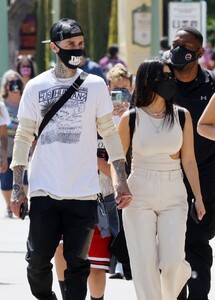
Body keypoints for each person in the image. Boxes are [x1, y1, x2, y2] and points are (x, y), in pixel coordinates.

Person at [9, 18, 131, 300]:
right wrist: (18, 187)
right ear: (54, 47)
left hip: (83, 191)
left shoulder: (96, 85)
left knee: (78, 264)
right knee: (37, 261)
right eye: (70, 45)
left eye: (80, 44)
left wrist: (121, 180)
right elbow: (24, 136)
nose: (77, 50)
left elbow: (110, 135)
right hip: (44, 189)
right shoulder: (36, 87)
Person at [116, 58, 205, 300]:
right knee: (144, 264)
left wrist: (198, 197)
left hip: (174, 190)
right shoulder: (131, 118)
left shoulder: (182, 116)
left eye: (170, 76)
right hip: (138, 191)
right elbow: (118, 160)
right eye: (164, 77)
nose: (170, 81)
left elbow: (188, 160)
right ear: (148, 81)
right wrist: (120, 186)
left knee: (174, 261)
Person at [54, 55, 120, 300]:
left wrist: (94, 161)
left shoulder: (116, 123)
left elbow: (119, 167)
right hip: (66, 192)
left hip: (101, 199)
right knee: (60, 250)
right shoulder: (68, 120)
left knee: (95, 264)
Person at [168, 27, 215, 300]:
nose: (177, 49)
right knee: (170, 248)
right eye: (175, 44)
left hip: (205, 178)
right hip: (166, 176)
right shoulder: (159, 81)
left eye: (184, 45)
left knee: (197, 243)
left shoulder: (211, 86)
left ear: (199, 53)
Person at [0, 70, 28, 218]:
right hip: (6, 147)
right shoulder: (2, 104)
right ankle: (8, 206)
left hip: (23, 145)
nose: (14, 85)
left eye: (16, 81)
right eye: (11, 82)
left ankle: (22, 203)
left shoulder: (26, 100)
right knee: (5, 178)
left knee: (23, 176)